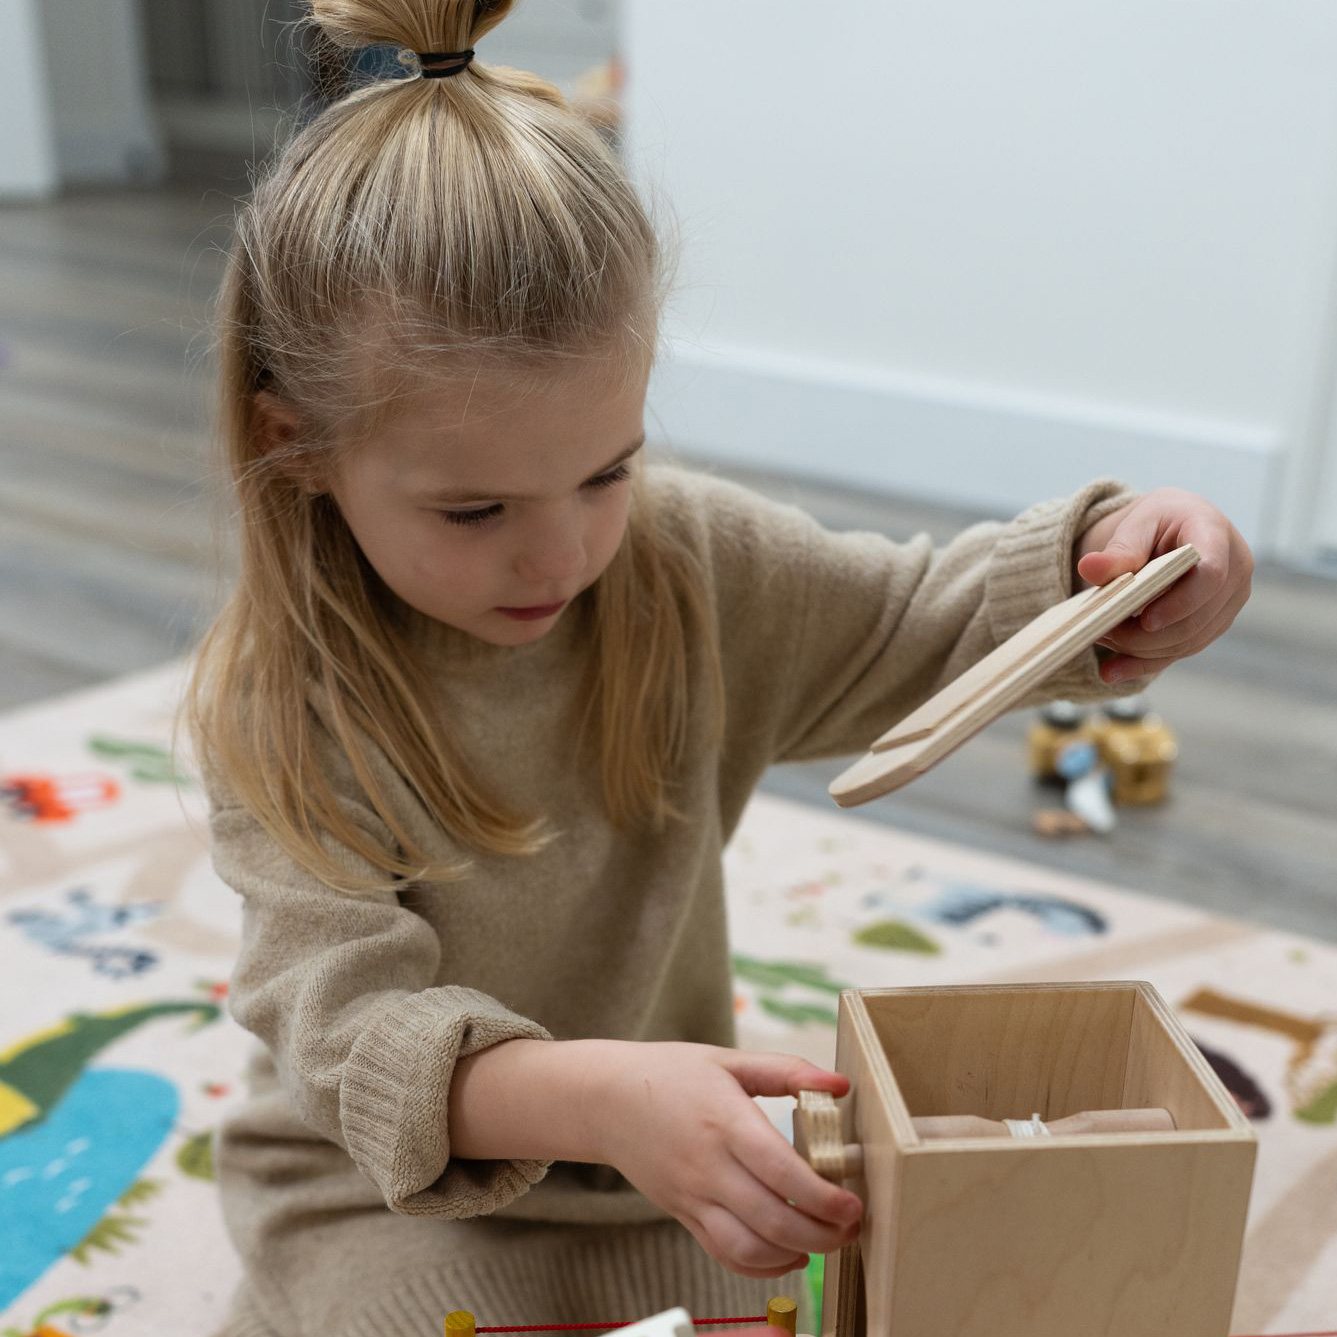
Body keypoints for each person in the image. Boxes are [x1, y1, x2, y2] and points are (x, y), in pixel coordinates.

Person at [181, 2, 1255, 1333]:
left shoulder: (685, 567)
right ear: (297, 447)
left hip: (666, 1172)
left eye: (608, 470)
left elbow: (915, 618)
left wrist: (1109, 569)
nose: (559, 553)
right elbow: (350, 1032)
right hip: (382, 1189)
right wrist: (603, 1095)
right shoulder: (278, 702)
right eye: (474, 511)